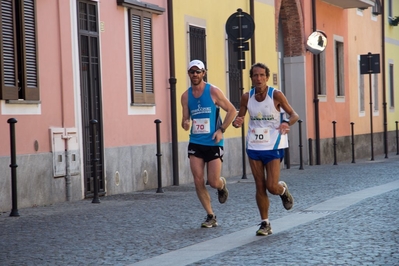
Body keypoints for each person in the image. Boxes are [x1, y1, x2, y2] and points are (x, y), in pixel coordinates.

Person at [232, 63, 299, 236]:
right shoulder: (247, 97)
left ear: (267, 77)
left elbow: (294, 115)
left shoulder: (275, 95)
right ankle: (265, 223)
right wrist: (236, 122)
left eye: (262, 75)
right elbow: (239, 117)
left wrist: (285, 123)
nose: (259, 78)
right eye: (255, 75)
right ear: (251, 78)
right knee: (260, 185)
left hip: (274, 144)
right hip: (254, 144)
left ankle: (282, 190)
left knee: (271, 186)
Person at [181, 59, 237, 228]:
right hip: (196, 142)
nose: (195, 74)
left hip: (213, 143)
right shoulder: (185, 96)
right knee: (198, 180)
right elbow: (185, 118)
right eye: (192, 71)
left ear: (203, 73)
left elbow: (232, 110)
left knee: (213, 181)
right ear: (189, 74)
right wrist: (185, 123)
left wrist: (221, 130)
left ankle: (221, 185)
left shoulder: (213, 91)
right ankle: (210, 215)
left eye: (198, 71)